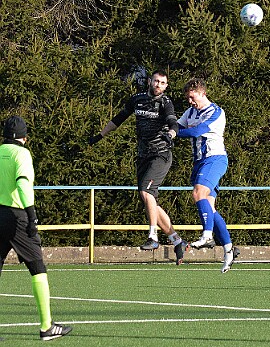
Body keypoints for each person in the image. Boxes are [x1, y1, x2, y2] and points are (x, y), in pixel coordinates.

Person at [89, 70, 188, 265]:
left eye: (163, 82)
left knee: (146, 191)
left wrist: (171, 134)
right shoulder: (138, 99)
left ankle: (153, 237)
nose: (158, 84)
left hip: (161, 155)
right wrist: (100, 135)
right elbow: (118, 119)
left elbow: (173, 123)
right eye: (156, 81)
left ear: (166, 86)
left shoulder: (165, 102)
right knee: (149, 200)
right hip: (143, 155)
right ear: (150, 81)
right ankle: (177, 241)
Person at [0, 116, 72, 341]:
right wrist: (32, 216)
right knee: (37, 267)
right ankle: (46, 327)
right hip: (16, 216)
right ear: (25, 138)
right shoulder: (21, 153)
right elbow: (22, 183)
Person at [177, 78, 239, 273]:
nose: (190, 101)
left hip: (215, 159)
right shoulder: (190, 112)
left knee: (198, 194)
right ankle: (229, 249)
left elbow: (197, 131)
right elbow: (178, 125)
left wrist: (172, 134)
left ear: (202, 93)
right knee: (209, 209)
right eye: (187, 98)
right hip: (199, 163)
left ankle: (207, 236)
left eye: (192, 97)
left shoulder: (216, 112)